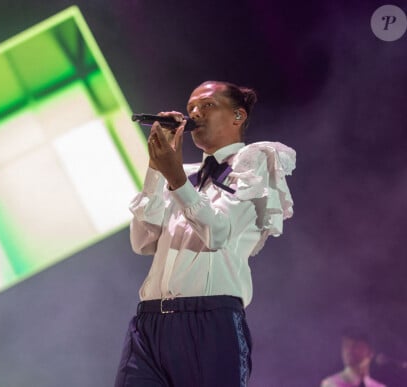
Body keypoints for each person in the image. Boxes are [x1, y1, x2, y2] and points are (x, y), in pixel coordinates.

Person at [114, 80, 296, 387]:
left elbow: (218, 232)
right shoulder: (182, 175)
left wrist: (174, 179)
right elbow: (142, 242)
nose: (195, 112)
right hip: (149, 323)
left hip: (209, 322)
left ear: (237, 116)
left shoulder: (256, 163)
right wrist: (156, 168)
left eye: (207, 105)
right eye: (191, 108)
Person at [321, 330, 386, 387]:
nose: (349, 350)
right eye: (346, 345)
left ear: (370, 353)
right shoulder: (330, 384)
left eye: (356, 346)